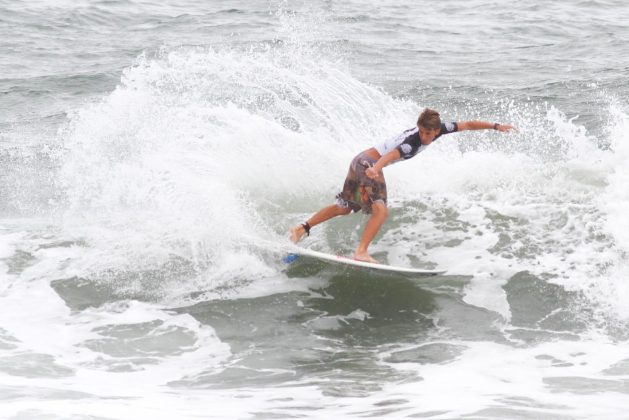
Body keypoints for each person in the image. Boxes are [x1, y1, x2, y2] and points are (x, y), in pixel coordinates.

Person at [289, 108, 516, 263]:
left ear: (437, 130)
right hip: (369, 164)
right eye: (422, 132)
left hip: (360, 160)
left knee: (344, 207)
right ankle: (361, 252)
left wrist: (496, 126)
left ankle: (302, 228)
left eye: (428, 133)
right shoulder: (412, 142)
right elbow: (393, 154)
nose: (425, 136)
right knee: (381, 210)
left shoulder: (440, 129)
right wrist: (376, 169)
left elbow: (466, 124)